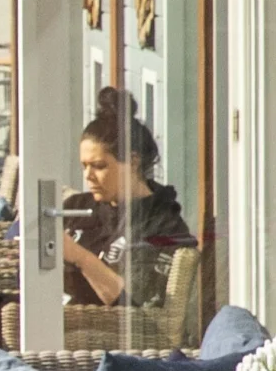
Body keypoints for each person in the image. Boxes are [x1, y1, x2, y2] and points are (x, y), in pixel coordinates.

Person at [64, 90, 196, 309]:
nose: (88, 176)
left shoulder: (163, 227)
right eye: (84, 166)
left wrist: (80, 258)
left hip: (95, 334)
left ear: (133, 161)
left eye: (99, 166)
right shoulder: (76, 207)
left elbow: (135, 308)